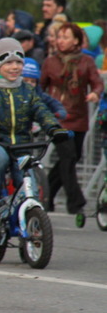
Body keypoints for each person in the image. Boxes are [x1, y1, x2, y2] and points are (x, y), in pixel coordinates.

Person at [0, 45, 66, 217]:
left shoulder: (27, 90)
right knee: (0, 158)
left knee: (25, 172)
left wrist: (54, 128)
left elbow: (41, 110)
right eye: (8, 63)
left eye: (18, 62)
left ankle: (29, 209)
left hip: (21, 142)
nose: (15, 67)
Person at [40, 22, 103, 214]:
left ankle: (45, 196)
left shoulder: (86, 61)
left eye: (65, 37)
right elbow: (40, 88)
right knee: (67, 156)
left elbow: (97, 83)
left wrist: (94, 94)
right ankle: (76, 202)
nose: (60, 41)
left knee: (73, 157)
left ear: (76, 40)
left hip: (79, 116)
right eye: (59, 37)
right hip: (58, 117)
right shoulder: (50, 62)